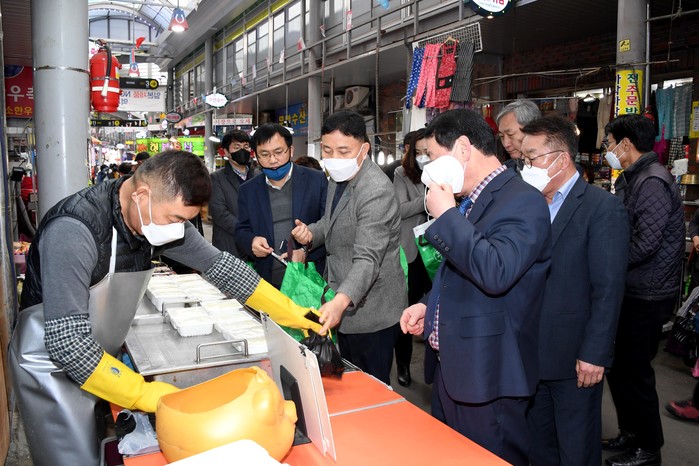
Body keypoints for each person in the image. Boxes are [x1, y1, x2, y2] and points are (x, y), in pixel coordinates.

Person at [8, 150, 323, 466]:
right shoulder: (74, 230)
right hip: (53, 367)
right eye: (175, 219)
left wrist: (293, 313)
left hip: (100, 356)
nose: (178, 229)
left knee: (104, 445)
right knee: (74, 457)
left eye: (185, 220)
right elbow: (67, 342)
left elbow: (223, 268)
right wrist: (145, 394)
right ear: (142, 196)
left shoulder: (151, 219)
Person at [400, 108, 551, 465]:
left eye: (434, 157)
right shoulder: (472, 199)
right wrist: (429, 305)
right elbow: (458, 269)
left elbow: (495, 271)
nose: (428, 168)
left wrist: (446, 216)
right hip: (454, 369)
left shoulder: (523, 200)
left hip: (489, 375)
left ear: (464, 149)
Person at [519, 116, 629, 466]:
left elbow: (608, 289)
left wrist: (595, 353)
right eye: (523, 159)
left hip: (574, 358)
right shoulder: (530, 205)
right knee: (539, 447)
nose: (526, 167)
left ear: (561, 158)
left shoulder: (601, 208)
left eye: (532, 158)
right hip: (530, 353)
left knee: (576, 448)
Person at [292, 109, 408, 385]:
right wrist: (311, 234)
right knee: (348, 380)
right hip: (342, 300)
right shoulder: (338, 177)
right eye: (327, 150)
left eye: (343, 151)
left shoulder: (375, 190)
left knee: (371, 385)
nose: (334, 158)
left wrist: (340, 301)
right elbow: (331, 220)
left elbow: (368, 258)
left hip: (372, 310)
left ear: (364, 149)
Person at [602, 114, 685, 466]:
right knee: (620, 368)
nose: (607, 150)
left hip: (648, 293)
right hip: (635, 288)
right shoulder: (636, 176)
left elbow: (646, 244)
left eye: (609, 143)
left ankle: (649, 448)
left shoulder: (651, 181)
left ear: (626, 144)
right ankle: (631, 432)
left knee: (635, 372)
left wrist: (606, 262)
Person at [236, 124, 327, 287]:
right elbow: (241, 230)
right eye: (265, 154)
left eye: (278, 152)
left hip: (309, 280)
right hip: (268, 281)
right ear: (255, 155)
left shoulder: (316, 180)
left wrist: (305, 251)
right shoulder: (247, 190)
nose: (272, 160)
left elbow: (330, 223)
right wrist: (252, 241)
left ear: (290, 150)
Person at [391, 128, 431, 387]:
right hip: (412, 251)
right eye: (419, 152)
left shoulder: (447, 172)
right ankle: (403, 365)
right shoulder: (401, 173)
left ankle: (435, 365)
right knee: (407, 308)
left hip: (439, 250)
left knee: (435, 307)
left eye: (428, 151)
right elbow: (399, 209)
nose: (424, 157)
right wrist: (429, 200)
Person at [209, 130, 257, 258]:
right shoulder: (216, 178)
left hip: (257, 246)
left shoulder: (259, 176)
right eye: (237, 147)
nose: (242, 150)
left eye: (246, 146)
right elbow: (220, 213)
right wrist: (246, 232)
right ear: (226, 152)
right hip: (230, 245)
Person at [496, 99, 542, 170]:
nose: (505, 144)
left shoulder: (553, 168)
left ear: (532, 130)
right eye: (501, 136)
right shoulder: (503, 170)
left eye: (510, 134)